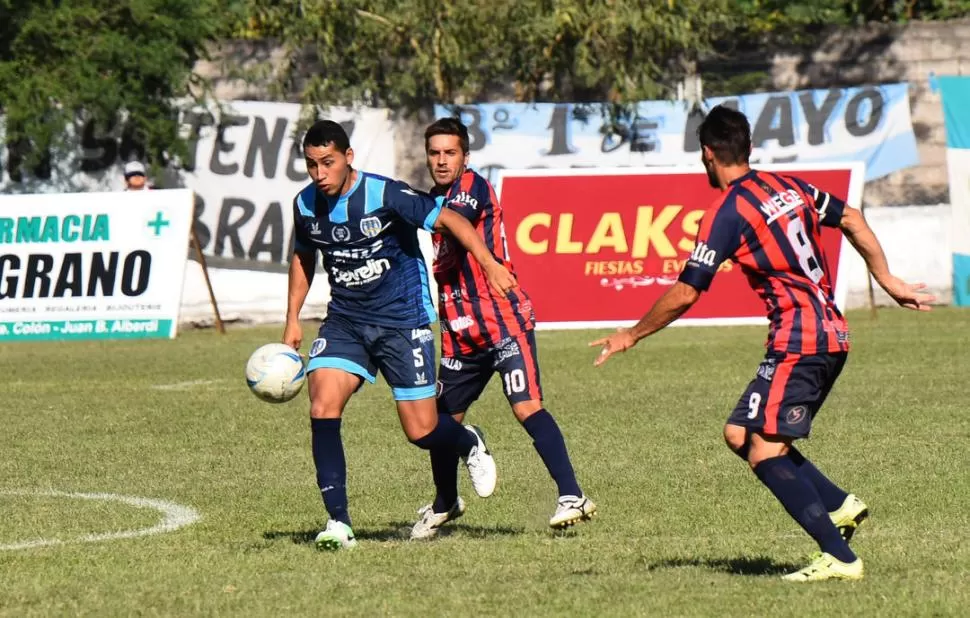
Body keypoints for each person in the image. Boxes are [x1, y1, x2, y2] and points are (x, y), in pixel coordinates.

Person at [590, 105, 935, 582]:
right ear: (748, 148)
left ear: (707, 154)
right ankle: (839, 505)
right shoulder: (790, 186)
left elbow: (688, 290)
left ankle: (840, 558)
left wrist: (631, 333)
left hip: (802, 340)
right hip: (822, 332)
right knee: (738, 434)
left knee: (764, 453)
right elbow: (852, 217)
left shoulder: (726, 212)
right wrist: (888, 279)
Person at [284, 120, 518, 551]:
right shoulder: (304, 205)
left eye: (328, 163)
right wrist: (292, 319)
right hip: (346, 321)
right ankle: (339, 523)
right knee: (322, 405)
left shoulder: (386, 194)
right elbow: (302, 258)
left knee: (422, 432)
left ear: (348, 158)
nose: (320, 174)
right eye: (312, 165)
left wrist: (489, 263)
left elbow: (450, 220)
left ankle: (468, 440)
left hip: (402, 322)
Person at [409, 118, 596, 541]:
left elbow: (450, 223)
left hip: (502, 322)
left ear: (465, 157)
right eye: (434, 153)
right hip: (458, 331)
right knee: (440, 422)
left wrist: (408, 210)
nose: (441, 160)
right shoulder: (433, 199)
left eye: (449, 153)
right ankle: (445, 503)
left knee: (526, 407)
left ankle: (573, 495)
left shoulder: (471, 189)